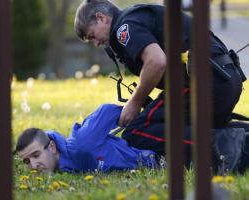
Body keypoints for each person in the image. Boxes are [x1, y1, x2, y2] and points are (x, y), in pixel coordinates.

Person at [74, 0, 244, 129]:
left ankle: (228, 151)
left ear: (101, 18)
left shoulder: (124, 28)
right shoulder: (135, 17)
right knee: (179, 125)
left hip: (208, 84)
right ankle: (238, 139)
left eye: (92, 36)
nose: (96, 43)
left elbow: (156, 61)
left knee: (139, 130)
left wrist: (135, 103)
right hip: (225, 80)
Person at [14, 104, 160, 173]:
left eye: (36, 155)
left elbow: (106, 111)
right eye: (27, 161)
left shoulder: (82, 144)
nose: (33, 166)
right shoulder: (62, 169)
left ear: (52, 147)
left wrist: (127, 114)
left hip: (155, 153)